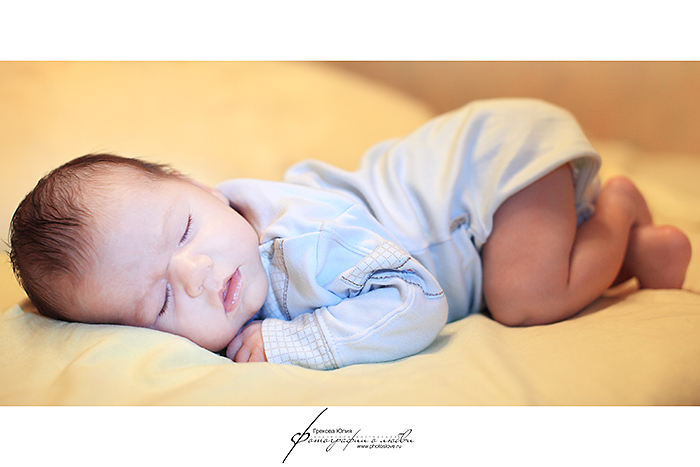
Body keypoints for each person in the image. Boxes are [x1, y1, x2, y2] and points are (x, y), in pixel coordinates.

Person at [8, 99, 692, 370]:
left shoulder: (304, 240)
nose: (194, 273)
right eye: (159, 302)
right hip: (485, 229)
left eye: (184, 228)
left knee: (521, 297)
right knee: (513, 275)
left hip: (489, 175)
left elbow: (418, 302)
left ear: (203, 189)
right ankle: (632, 251)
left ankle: (617, 208)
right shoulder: (238, 263)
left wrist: (298, 342)